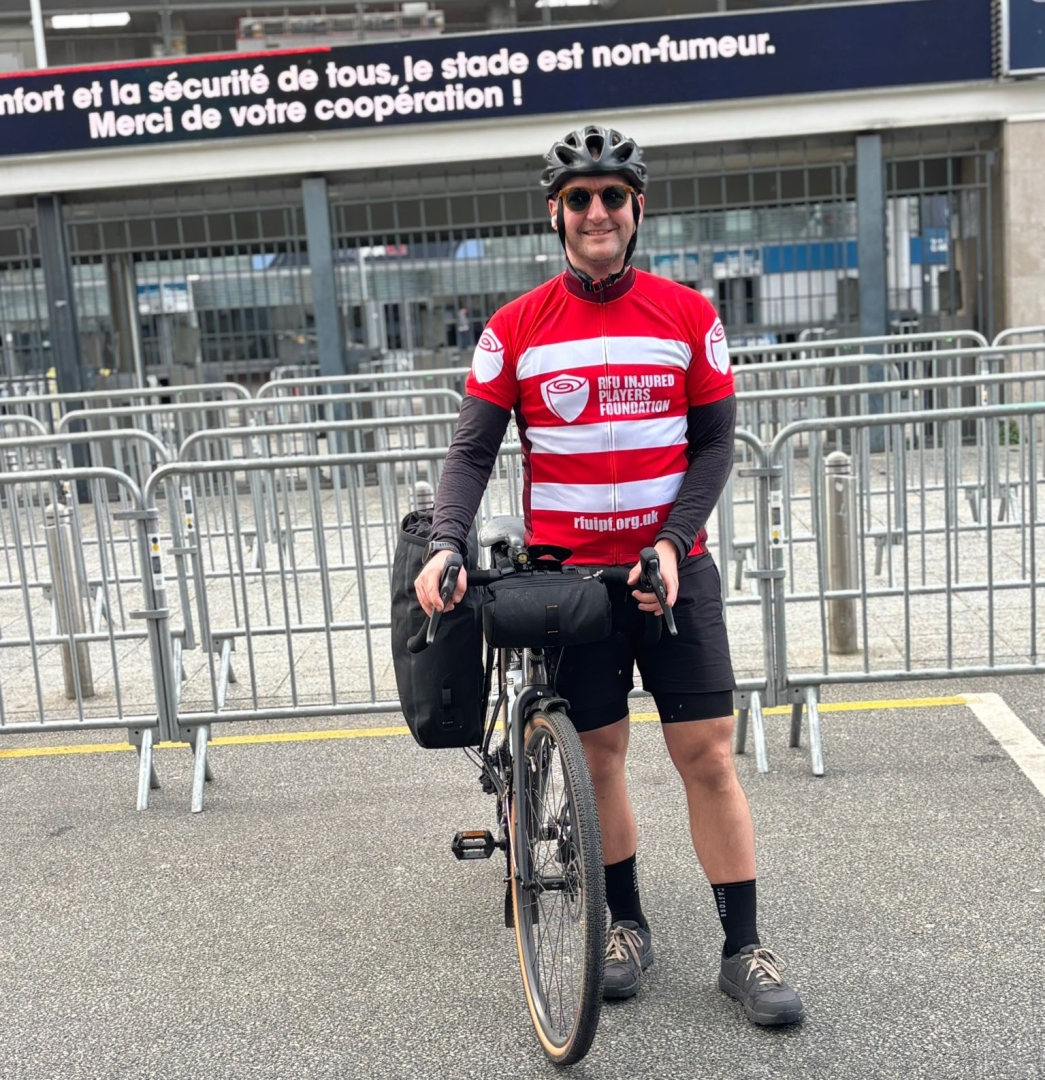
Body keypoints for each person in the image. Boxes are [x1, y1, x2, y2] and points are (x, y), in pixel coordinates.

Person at [415, 125, 804, 1026]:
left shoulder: (686, 315)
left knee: (706, 756)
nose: (597, 211)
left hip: (673, 572)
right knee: (598, 760)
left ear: (637, 209)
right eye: (580, 197)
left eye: (613, 196)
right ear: (556, 213)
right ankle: (623, 925)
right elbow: (471, 452)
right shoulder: (514, 328)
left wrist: (670, 541)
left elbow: (713, 446)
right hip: (572, 585)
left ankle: (742, 948)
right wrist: (446, 541)